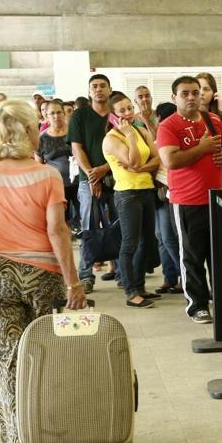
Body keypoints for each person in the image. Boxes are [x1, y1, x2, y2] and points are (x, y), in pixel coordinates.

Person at [0, 99, 87, 443]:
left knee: (6, 361)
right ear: (24, 131)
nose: (40, 132)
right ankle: (47, 432)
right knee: (43, 358)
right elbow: (57, 231)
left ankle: (17, 441)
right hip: (42, 277)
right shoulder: (46, 175)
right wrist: (73, 283)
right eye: (36, 126)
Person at [157, 76, 222, 324]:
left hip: (217, 199)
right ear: (174, 98)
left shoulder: (213, 120)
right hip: (187, 201)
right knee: (192, 257)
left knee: (221, 255)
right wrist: (202, 148)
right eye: (185, 93)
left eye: (195, 92)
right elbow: (170, 160)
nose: (191, 97)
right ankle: (197, 306)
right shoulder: (168, 126)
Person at [103, 92, 160, 308]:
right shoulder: (111, 139)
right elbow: (133, 160)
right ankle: (130, 291)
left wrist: (140, 168)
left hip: (146, 190)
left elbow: (156, 158)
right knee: (130, 243)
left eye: (129, 108)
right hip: (127, 194)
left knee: (147, 241)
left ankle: (140, 286)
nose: (127, 113)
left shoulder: (141, 131)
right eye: (122, 111)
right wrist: (128, 135)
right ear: (112, 116)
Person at [68, 74, 114, 293]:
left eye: (103, 86)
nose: (98, 89)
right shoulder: (80, 115)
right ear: (89, 91)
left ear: (110, 89)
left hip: (116, 179)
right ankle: (85, 275)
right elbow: (76, 148)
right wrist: (91, 175)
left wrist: (104, 169)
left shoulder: (115, 114)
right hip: (88, 181)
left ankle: (123, 272)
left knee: (118, 226)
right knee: (88, 228)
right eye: (94, 86)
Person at [152, 102, 183, 295]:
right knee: (160, 237)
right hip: (157, 193)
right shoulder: (158, 139)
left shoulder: (167, 141)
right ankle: (169, 277)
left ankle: (184, 276)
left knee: (168, 237)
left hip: (168, 192)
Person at [36, 100, 76, 226]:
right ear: (46, 116)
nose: (56, 116)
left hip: (78, 184)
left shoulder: (75, 132)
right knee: (61, 222)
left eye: (59, 112)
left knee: (83, 220)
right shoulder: (42, 138)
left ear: (64, 114)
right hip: (56, 187)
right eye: (52, 113)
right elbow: (39, 166)